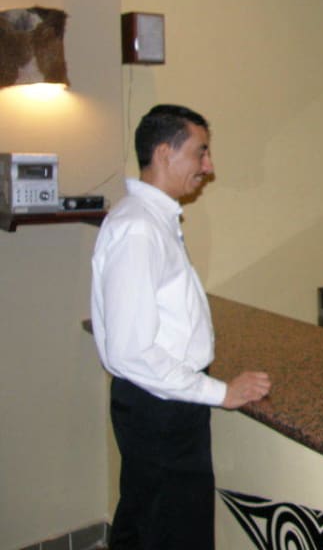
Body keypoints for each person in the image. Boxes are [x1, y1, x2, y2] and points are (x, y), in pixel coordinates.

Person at [91, 104, 271, 550]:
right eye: (200, 152)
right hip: (160, 409)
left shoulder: (152, 220)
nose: (208, 167)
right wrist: (221, 392)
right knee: (171, 533)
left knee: (148, 525)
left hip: (162, 403)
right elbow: (132, 351)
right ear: (164, 153)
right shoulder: (139, 229)